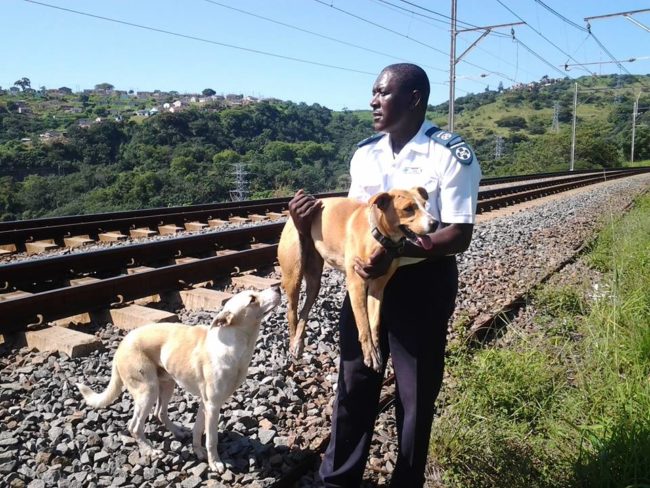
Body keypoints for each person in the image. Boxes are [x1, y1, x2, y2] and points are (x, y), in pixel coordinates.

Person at [289, 63, 481, 487]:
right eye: (373, 93)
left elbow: (458, 234)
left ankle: (407, 481)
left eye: (382, 93)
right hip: (366, 281)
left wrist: (395, 250)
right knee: (354, 382)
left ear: (413, 99)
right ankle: (337, 479)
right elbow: (354, 221)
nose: (373, 101)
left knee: (414, 397)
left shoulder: (449, 153)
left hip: (421, 285)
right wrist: (306, 224)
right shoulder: (365, 153)